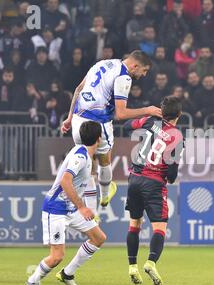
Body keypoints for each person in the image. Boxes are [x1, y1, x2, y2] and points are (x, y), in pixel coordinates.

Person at [61, 50, 162, 213]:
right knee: (104, 161)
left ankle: (92, 213)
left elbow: (78, 89)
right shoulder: (124, 77)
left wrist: (69, 117)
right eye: (144, 71)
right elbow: (121, 114)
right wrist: (147, 110)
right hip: (98, 124)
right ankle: (106, 195)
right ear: (135, 66)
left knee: (88, 166)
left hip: (78, 120)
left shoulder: (103, 63)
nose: (143, 75)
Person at [26, 121, 107, 285]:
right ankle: (33, 281)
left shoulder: (86, 154)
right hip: (55, 208)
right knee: (57, 256)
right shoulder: (81, 156)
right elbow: (65, 181)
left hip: (71, 208)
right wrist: (83, 207)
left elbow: (88, 182)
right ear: (99, 138)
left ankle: (67, 273)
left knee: (98, 237)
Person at [123, 96, 184, 285]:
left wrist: (147, 112)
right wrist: (169, 176)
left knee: (135, 224)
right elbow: (172, 174)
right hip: (154, 182)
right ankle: (150, 263)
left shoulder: (150, 121)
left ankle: (132, 266)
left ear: (161, 111)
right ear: (179, 115)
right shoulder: (176, 136)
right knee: (159, 228)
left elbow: (126, 126)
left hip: (134, 178)